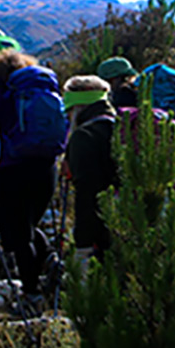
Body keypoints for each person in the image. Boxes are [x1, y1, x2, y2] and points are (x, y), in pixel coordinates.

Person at [0, 50, 66, 302]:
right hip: (46, 168)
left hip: (12, 170)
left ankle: (31, 292)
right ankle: (50, 262)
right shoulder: (44, 93)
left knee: (19, 236)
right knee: (29, 226)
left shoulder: (0, 96)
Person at [61, 76, 118, 260]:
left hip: (105, 231)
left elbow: (86, 195)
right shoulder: (121, 125)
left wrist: (82, 244)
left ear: (77, 108)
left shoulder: (84, 136)